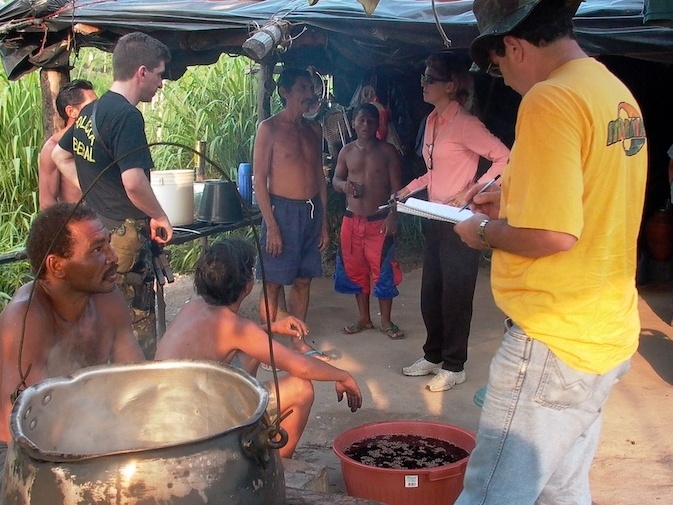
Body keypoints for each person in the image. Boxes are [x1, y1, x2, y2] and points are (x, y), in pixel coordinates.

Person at [452, 0, 648, 503]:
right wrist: (514, 196)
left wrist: (483, 230)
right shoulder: (611, 92)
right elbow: (593, 194)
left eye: (497, 67)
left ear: (514, 46)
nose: (504, 80)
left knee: (491, 496)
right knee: (559, 492)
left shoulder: (550, 100)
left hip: (552, 340)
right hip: (604, 333)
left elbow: (554, 235)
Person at [155, 239, 363, 458]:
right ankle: (278, 469)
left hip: (167, 415)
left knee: (252, 356)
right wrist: (342, 375)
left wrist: (271, 327)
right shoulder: (236, 327)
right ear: (247, 286)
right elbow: (301, 366)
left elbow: (229, 337)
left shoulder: (193, 306)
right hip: (197, 428)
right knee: (302, 389)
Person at [0, 203, 145, 478]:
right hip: (18, 451)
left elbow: (137, 381)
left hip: (91, 433)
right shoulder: (26, 318)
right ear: (57, 266)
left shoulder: (109, 300)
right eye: (97, 249)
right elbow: (18, 425)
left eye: (109, 244)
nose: (113, 257)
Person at [52, 32, 174, 357]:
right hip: (126, 238)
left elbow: (60, 156)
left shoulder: (91, 112)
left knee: (102, 315)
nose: (161, 83)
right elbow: (134, 182)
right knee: (135, 323)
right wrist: (160, 215)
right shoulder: (126, 116)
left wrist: (95, 192)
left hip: (100, 231)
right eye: (160, 74)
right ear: (142, 72)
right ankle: (137, 393)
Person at [396, 52, 510, 392]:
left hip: (461, 219)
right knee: (431, 291)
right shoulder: (432, 121)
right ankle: (433, 356)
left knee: (456, 294)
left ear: (450, 85)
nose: (423, 84)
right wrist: (408, 188)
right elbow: (434, 170)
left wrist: (472, 189)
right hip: (434, 215)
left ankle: (454, 364)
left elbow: (504, 156)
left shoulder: (466, 123)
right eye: (423, 78)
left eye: (430, 79)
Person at [252, 67, 330, 360]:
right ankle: (268, 346)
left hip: (311, 212)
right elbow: (259, 179)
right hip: (281, 212)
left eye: (310, 88)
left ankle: (298, 342)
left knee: (304, 279)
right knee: (273, 283)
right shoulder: (269, 129)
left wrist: (323, 222)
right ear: (285, 92)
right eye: (301, 88)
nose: (308, 95)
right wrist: (271, 225)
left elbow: (319, 177)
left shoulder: (314, 129)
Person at [332, 103, 405, 339]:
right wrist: (346, 186)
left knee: (383, 271)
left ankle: (386, 321)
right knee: (356, 270)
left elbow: (397, 190)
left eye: (371, 121)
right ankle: (364, 318)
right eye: (361, 120)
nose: (366, 125)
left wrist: (393, 216)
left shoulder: (387, 152)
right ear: (353, 122)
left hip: (379, 221)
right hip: (352, 220)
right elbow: (336, 179)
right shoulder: (346, 151)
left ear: (378, 124)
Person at [38, 79, 97, 210]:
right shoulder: (52, 148)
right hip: (75, 223)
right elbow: (47, 202)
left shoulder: (99, 140)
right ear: (71, 111)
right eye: (91, 105)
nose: (96, 109)